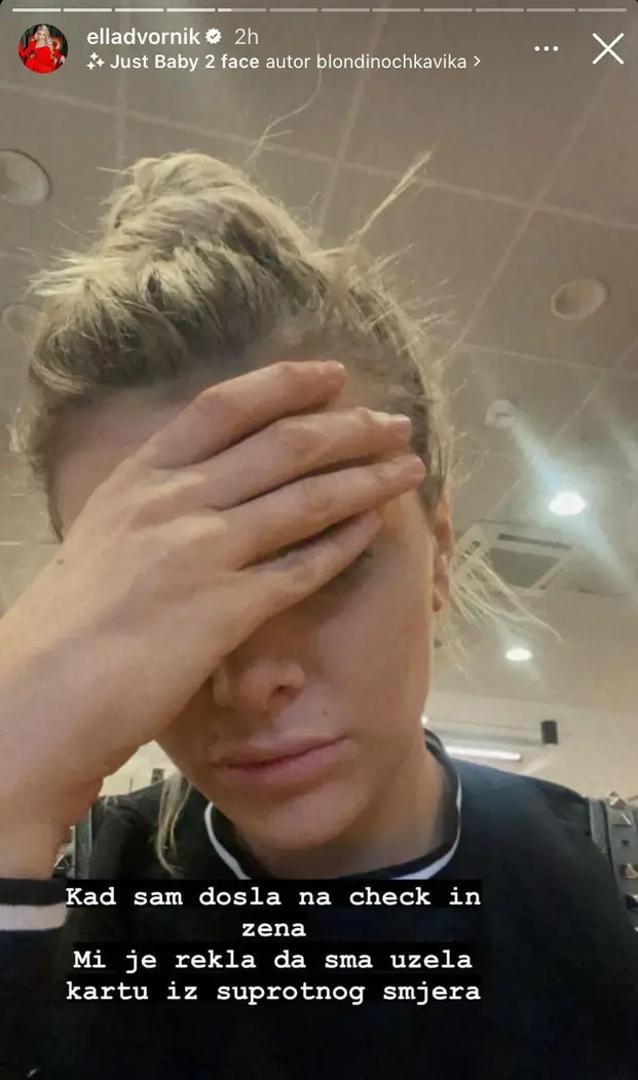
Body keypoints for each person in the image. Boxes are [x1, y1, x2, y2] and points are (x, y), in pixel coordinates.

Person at [0, 152, 636, 1080]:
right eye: (165, 589)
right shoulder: (56, 905)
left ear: (439, 551)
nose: (250, 680)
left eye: (323, 556)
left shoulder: (610, 891)